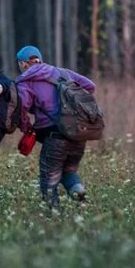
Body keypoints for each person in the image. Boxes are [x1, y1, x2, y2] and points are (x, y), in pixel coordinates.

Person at [15, 45, 96, 209]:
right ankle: (79, 193)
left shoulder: (26, 82)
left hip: (55, 136)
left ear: (23, 64)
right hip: (78, 133)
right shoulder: (63, 73)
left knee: (48, 178)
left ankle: (54, 216)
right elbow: (90, 86)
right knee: (68, 172)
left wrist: (26, 127)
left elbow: (21, 107)